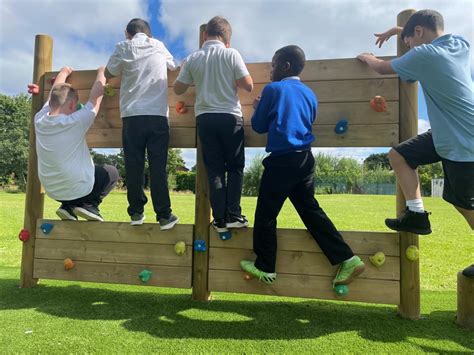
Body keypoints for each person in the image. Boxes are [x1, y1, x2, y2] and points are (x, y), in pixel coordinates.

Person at [357, 9, 473, 277]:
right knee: (398, 156)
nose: (408, 47)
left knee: (464, 203)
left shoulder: (425, 54)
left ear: (419, 31)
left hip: (464, 140)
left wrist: (366, 57)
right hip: (447, 133)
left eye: (409, 41)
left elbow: (383, 68)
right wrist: (400, 32)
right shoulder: (460, 44)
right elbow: (421, 41)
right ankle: (417, 214)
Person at [240, 45, 365, 286]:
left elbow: (258, 126)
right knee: (310, 212)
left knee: (266, 214)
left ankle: (265, 266)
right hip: (305, 159)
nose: (270, 71)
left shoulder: (273, 89)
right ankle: (347, 258)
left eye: (273, 65)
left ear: (285, 66)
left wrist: (257, 108)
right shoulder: (309, 94)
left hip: (282, 160)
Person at [173, 16, 253, 233]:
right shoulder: (231, 53)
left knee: (215, 171)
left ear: (204, 35)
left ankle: (219, 220)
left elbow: (178, 89)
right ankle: (234, 214)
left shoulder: (192, 58)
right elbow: (248, 86)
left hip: (205, 119)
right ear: (227, 39)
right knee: (235, 167)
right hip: (230, 117)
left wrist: (184, 69)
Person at [106, 18, 179, 229]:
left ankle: (136, 213)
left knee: (134, 165)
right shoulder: (159, 45)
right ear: (149, 34)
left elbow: (110, 72)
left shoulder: (123, 46)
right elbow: (173, 67)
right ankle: (164, 215)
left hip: (131, 116)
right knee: (158, 167)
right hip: (157, 115)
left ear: (126, 33)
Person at [35, 66, 119, 222]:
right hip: (79, 189)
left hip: (53, 191)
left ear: (51, 102)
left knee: (71, 176)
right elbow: (95, 100)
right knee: (111, 172)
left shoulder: (39, 119)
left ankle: (67, 207)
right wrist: (102, 72)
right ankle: (90, 204)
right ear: (73, 105)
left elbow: (54, 92)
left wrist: (64, 73)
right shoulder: (75, 121)